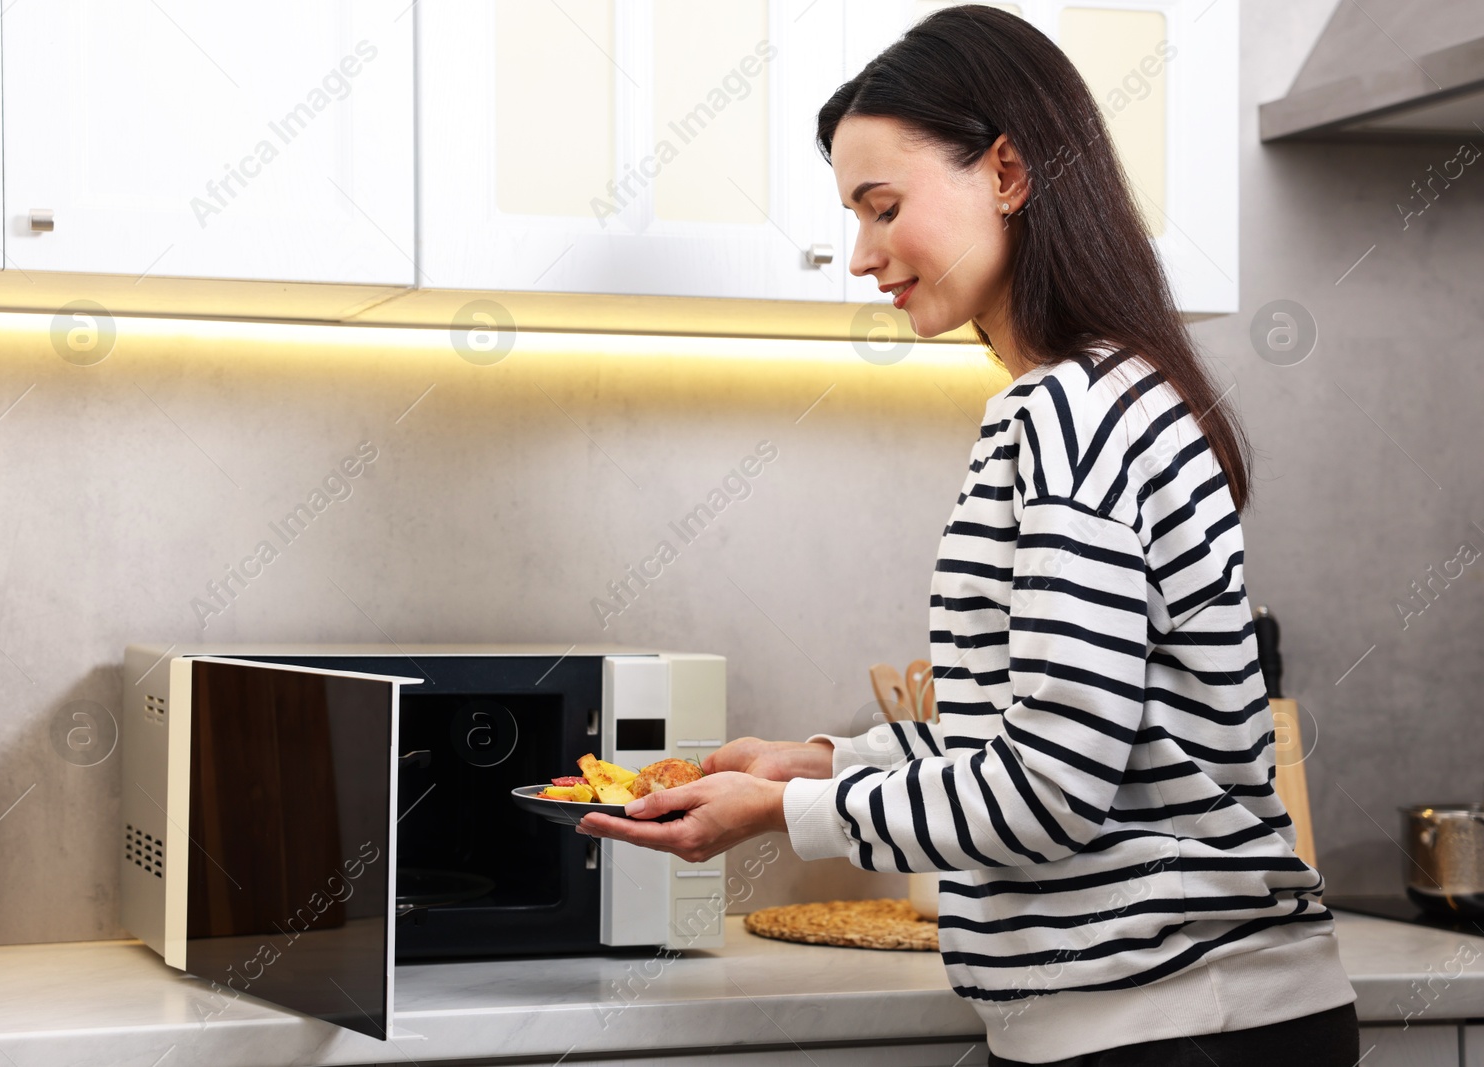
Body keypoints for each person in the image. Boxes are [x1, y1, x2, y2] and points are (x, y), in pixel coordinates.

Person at [576, 6, 1360, 1064]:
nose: (861, 256)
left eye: (883, 206)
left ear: (1007, 171)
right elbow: (1044, 743)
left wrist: (785, 811)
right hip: (1180, 1016)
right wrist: (814, 760)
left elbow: (1046, 791)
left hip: (1174, 1023)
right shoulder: (1108, 393)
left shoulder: (1066, 414)